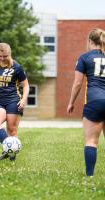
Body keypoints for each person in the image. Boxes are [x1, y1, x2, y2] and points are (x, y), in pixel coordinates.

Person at [67, 28, 105, 176]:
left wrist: (71, 102)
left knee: (91, 141)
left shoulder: (84, 58)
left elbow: (77, 83)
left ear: (90, 41)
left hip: (94, 101)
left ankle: (89, 176)